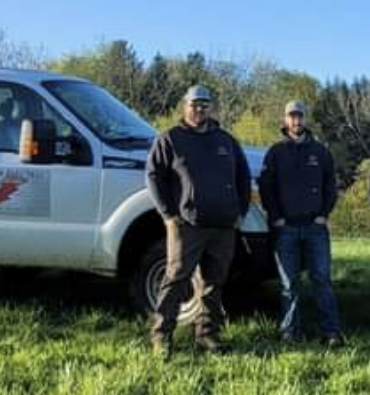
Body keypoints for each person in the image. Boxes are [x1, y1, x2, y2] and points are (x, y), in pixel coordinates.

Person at [145, 85, 252, 358]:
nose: (199, 109)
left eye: (204, 105)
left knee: (214, 283)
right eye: (194, 104)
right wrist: (168, 215)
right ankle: (161, 336)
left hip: (224, 226)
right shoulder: (170, 139)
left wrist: (239, 212)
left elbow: (243, 177)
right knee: (176, 280)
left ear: (210, 108)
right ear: (185, 105)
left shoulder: (226, 140)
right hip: (187, 225)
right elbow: (153, 176)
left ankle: (207, 335)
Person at [259, 100, 345, 346]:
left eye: (300, 116)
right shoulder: (275, 152)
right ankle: (289, 332)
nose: (296, 121)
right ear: (285, 120)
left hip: (315, 227)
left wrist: (324, 214)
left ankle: (331, 332)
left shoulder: (320, 151)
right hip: (285, 228)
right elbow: (267, 187)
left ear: (305, 119)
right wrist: (276, 217)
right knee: (289, 283)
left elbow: (331, 185)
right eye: (291, 116)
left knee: (322, 280)